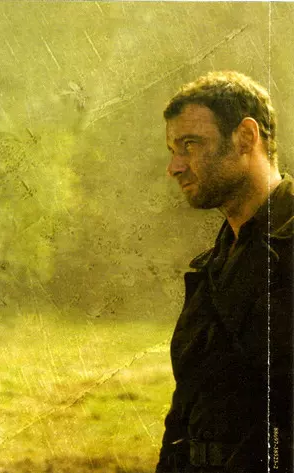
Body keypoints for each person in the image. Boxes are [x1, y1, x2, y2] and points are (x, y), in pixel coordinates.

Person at [157, 71, 293, 472]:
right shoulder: (215, 262)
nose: (175, 167)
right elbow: (188, 410)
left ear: (246, 137)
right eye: (173, 150)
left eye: (190, 144)